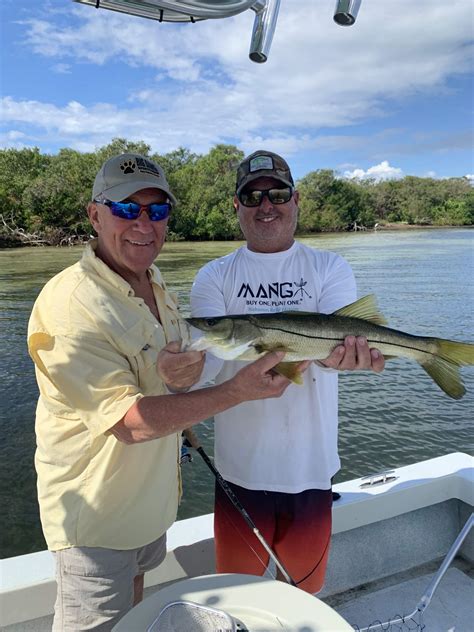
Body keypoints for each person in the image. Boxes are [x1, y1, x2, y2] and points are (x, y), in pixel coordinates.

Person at [27, 152, 297, 631]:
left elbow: (167, 376)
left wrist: (179, 376)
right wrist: (236, 391)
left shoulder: (152, 280)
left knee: (134, 613)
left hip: (147, 510)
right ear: (94, 215)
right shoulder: (71, 306)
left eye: (157, 210)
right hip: (96, 521)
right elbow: (129, 423)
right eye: (127, 209)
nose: (144, 224)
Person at [188, 150, 385, 594]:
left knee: (303, 596)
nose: (266, 205)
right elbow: (211, 364)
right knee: (236, 598)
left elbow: (340, 348)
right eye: (252, 196)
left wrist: (347, 360)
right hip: (239, 473)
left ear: (295, 200)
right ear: (236, 206)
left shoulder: (329, 268)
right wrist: (183, 373)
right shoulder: (214, 276)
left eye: (276, 193)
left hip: (311, 472)